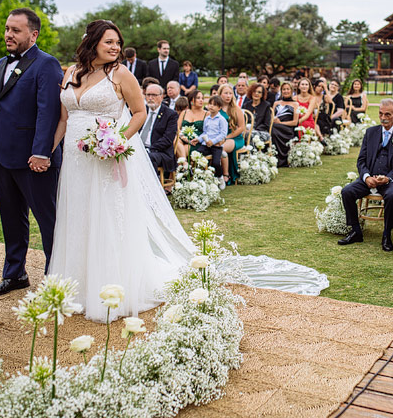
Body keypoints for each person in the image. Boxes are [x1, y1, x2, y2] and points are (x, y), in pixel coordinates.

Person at [48, 22, 329, 321]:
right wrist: (47, 150)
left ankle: (110, 289)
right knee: (77, 216)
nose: (115, 47)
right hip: (76, 162)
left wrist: (118, 140)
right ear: (92, 42)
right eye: (109, 42)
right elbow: (65, 119)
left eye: (118, 42)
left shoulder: (121, 74)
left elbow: (140, 112)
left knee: (106, 217)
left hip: (107, 158)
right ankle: (76, 287)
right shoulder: (71, 73)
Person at [0, 7, 63, 298]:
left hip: (34, 161)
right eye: (6, 29)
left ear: (33, 34)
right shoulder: (0, 64)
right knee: (11, 220)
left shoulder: (47, 65)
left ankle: (55, 280)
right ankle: (15, 275)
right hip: (2, 158)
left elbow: (48, 112)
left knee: (49, 222)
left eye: (15, 30)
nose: (8, 35)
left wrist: (42, 152)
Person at [339, 100, 393, 251]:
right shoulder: (370, 132)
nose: (383, 117)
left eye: (387, 114)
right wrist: (366, 177)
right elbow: (361, 160)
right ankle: (355, 231)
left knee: (392, 196)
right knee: (347, 192)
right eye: (380, 113)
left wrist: (388, 178)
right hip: (369, 178)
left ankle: (386, 235)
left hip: (389, 180)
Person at [140, 83, 178, 182]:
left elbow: (167, 139)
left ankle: (151, 184)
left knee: (148, 156)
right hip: (139, 147)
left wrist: (148, 149)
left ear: (161, 97)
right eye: (148, 95)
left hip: (160, 152)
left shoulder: (170, 115)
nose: (150, 98)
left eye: (154, 95)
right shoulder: (141, 111)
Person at [190, 95, 228, 190]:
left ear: (219, 108)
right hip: (206, 144)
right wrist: (198, 139)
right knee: (196, 156)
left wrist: (213, 141)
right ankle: (199, 177)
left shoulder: (221, 120)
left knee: (215, 163)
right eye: (210, 104)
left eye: (214, 105)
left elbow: (223, 134)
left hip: (216, 145)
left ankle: (220, 177)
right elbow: (205, 132)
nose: (211, 106)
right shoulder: (207, 119)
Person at [218, 84, 246, 185]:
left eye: (230, 93)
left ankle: (226, 175)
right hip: (219, 137)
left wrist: (227, 137)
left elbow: (241, 128)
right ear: (220, 94)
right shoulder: (216, 109)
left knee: (221, 147)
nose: (228, 96)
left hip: (235, 138)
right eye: (226, 93)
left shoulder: (236, 109)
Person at [176, 90, 206, 160]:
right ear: (191, 100)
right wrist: (183, 137)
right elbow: (177, 127)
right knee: (175, 140)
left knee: (180, 150)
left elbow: (208, 131)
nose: (201, 100)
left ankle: (183, 166)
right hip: (182, 139)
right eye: (198, 98)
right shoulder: (184, 112)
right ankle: (184, 164)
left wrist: (197, 139)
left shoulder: (206, 114)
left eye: (202, 98)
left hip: (196, 142)